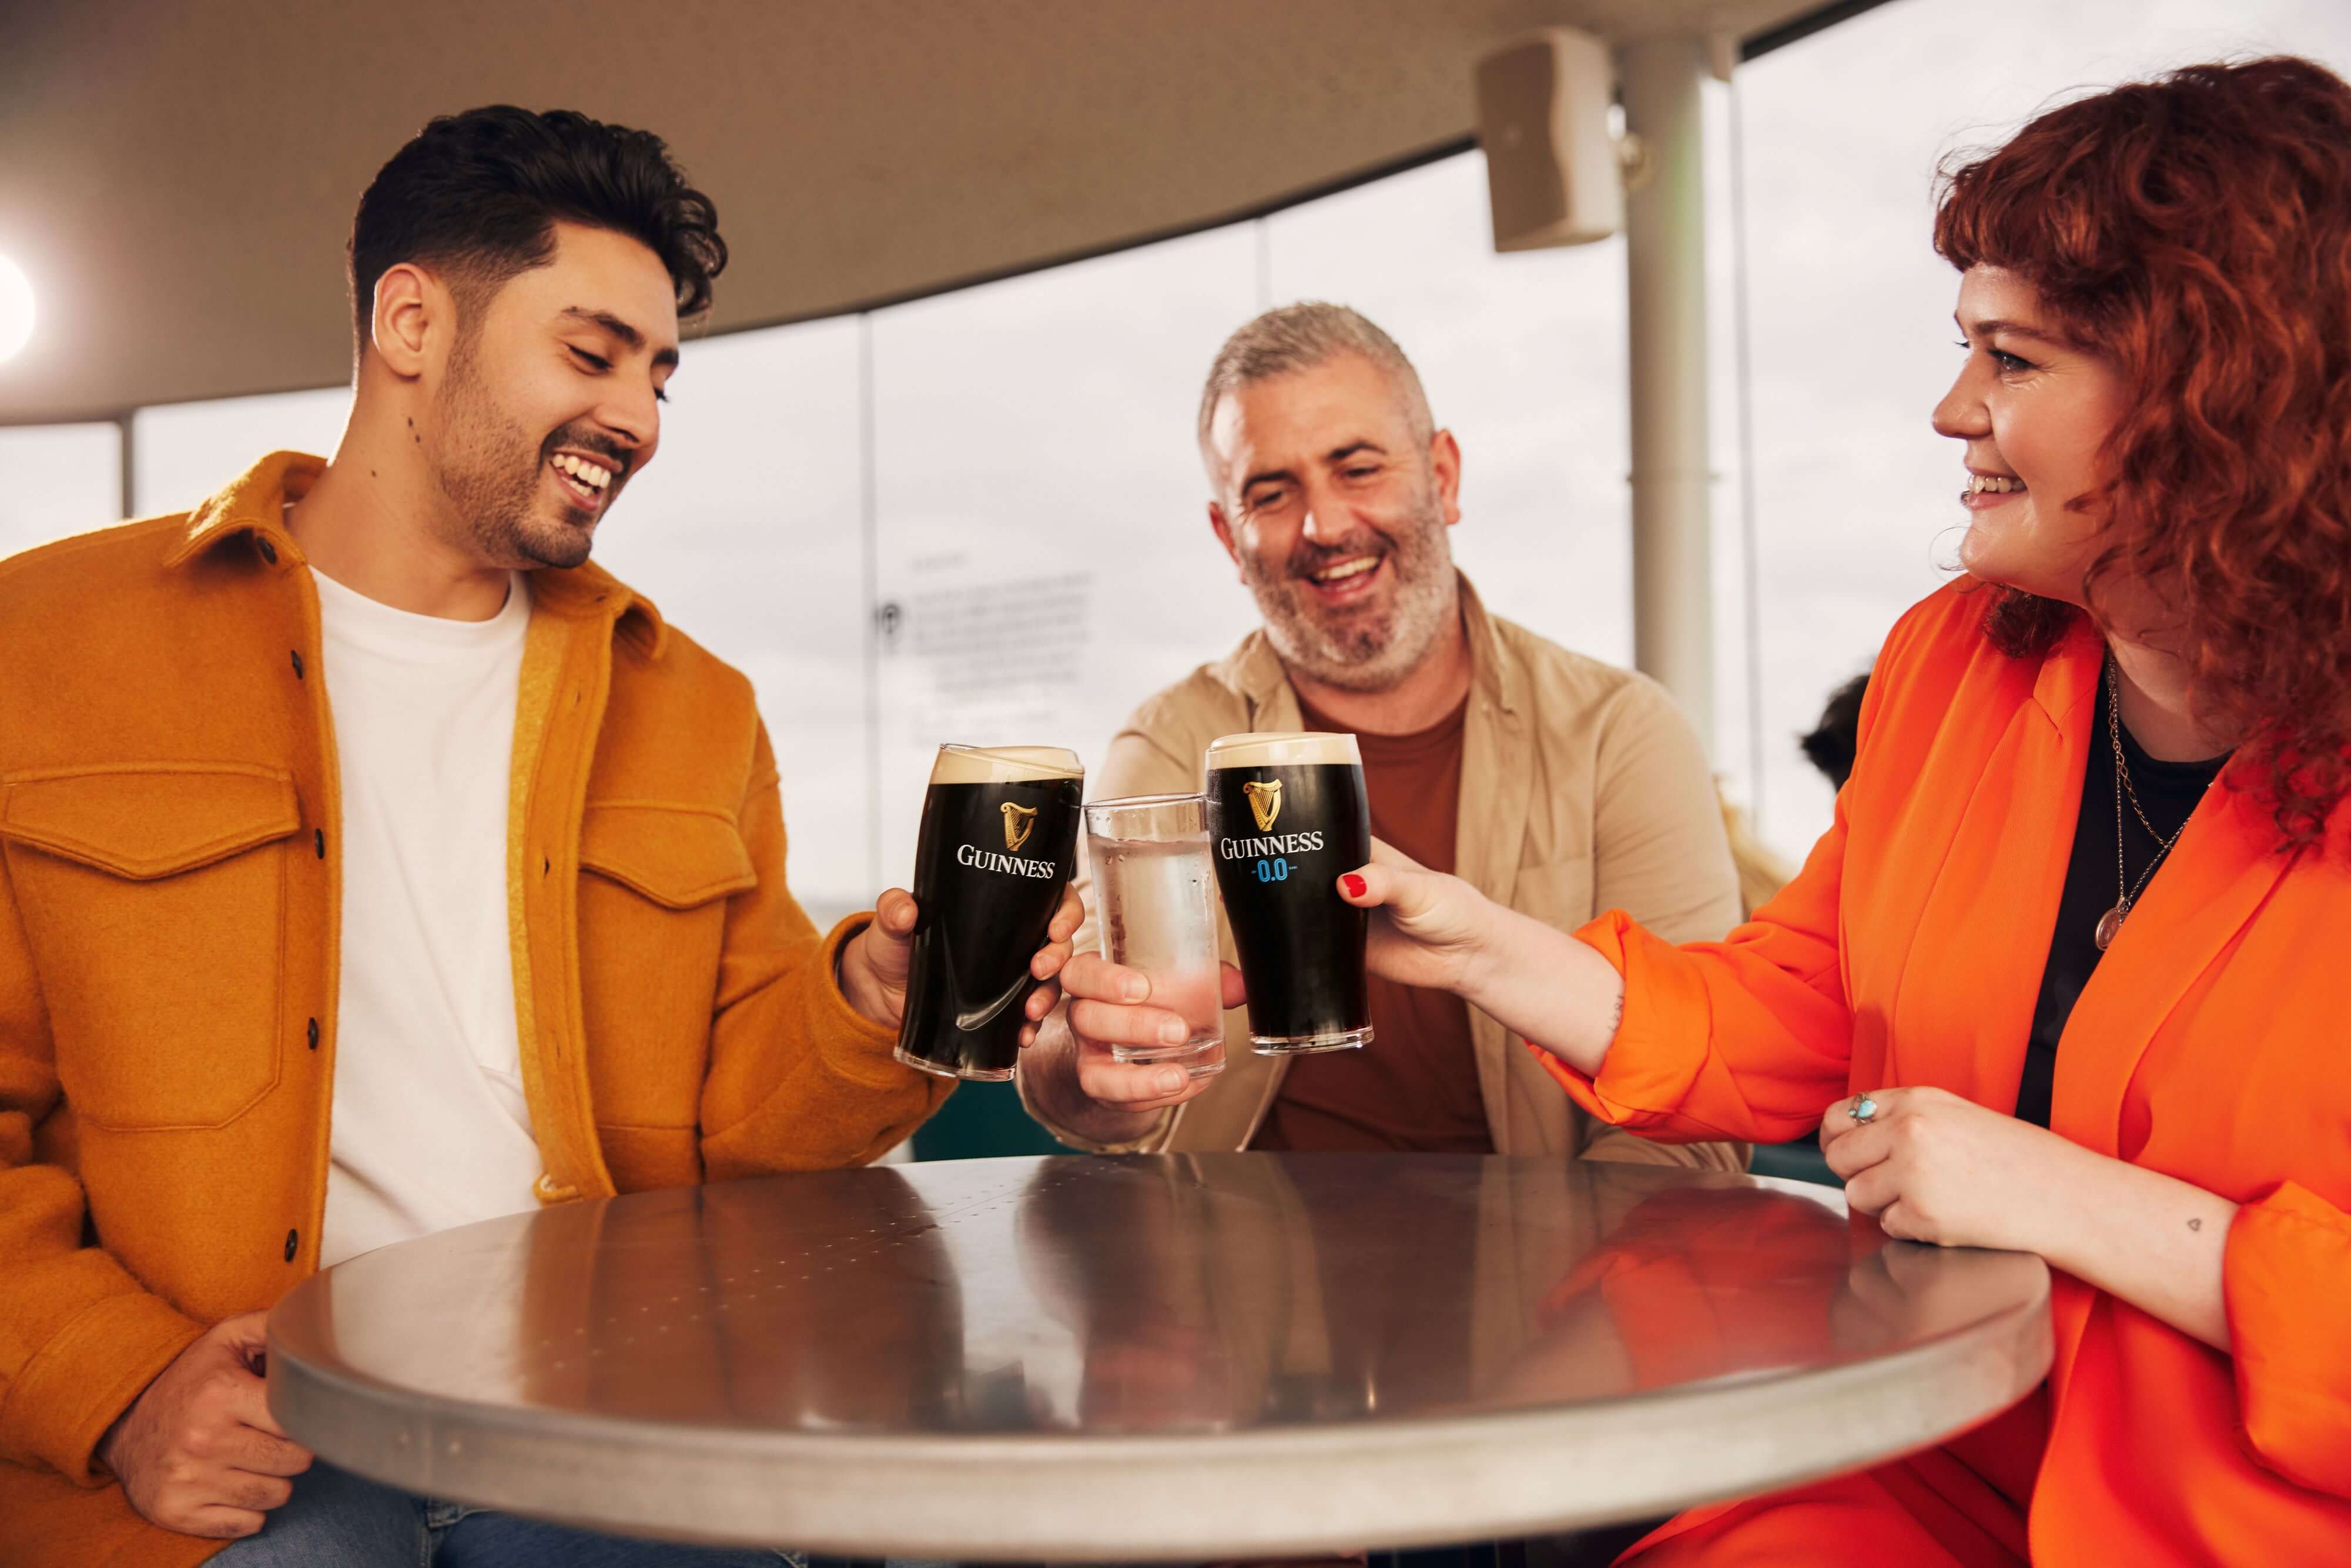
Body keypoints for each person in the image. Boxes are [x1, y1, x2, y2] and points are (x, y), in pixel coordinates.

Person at [1074, 57, 2351, 1564]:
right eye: (1963, 350)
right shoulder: (1954, 668)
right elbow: (1792, 1004)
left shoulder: (1621, 722)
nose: (1951, 408)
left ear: (2206, 394)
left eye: (2009, 360)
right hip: (1933, 1464)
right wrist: (1484, 944)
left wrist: (2086, 1207)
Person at [0, 106, 1079, 1567]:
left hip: (605, 1430)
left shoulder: (697, 708)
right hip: (236, 1462)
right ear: (410, 323)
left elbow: (743, 1135)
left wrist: (862, 1001)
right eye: (591, 353)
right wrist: (114, 1382)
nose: (638, 418)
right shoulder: (44, 644)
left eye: (658, 375)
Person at [1020, 303, 1746, 1168]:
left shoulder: (1621, 734)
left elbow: (1696, 1101)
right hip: (1233, 1246)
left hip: (1551, 1247)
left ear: (1443, 477)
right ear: (1228, 538)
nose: (1325, 527)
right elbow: (1072, 1064)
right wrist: (1093, 1065)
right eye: (1271, 494)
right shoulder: (1175, 741)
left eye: (1357, 469)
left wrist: (1570, 1259)